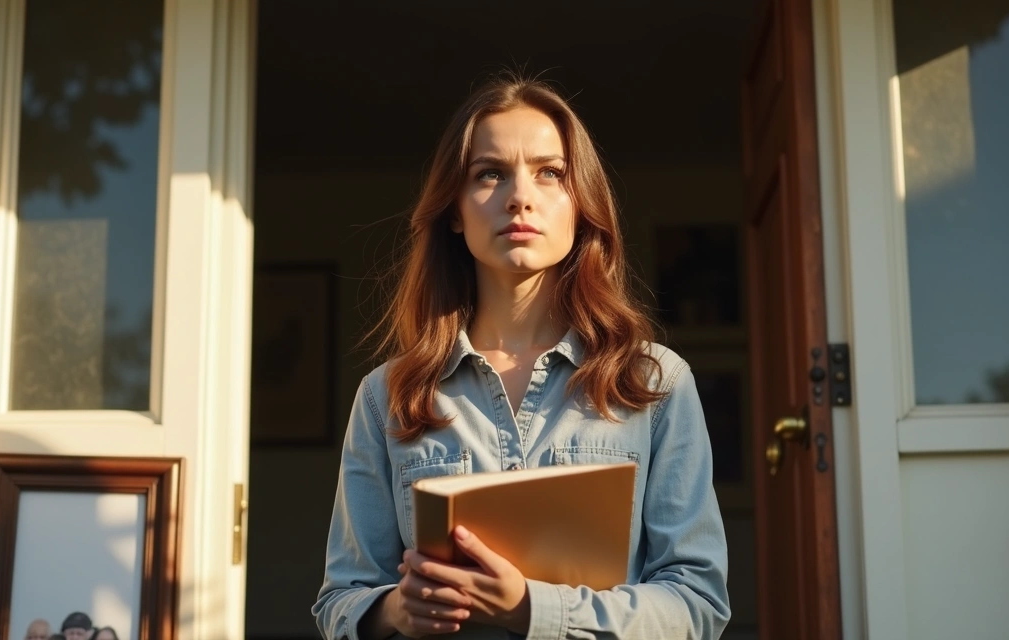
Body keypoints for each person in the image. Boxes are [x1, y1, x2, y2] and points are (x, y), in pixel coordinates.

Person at [312, 73, 731, 639]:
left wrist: (536, 610)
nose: (519, 196)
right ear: (454, 210)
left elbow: (698, 602)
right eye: (490, 173)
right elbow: (340, 601)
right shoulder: (386, 395)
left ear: (579, 203)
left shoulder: (653, 382)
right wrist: (392, 612)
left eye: (549, 173)